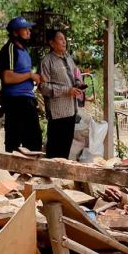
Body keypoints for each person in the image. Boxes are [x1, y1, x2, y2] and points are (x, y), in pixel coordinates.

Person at [0, 16, 42, 153]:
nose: (29, 31)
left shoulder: (24, 50)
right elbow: (7, 77)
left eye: (29, 29)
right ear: (15, 32)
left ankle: (29, 171)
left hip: (26, 99)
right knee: (15, 140)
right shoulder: (10, 49)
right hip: (15, 101)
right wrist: (30, 75)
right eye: (25, 29)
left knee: (34, 140)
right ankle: (15, 171)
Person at [39, 30, 84, 159]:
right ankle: (51, 177)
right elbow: (43, 87)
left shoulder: (68, 58)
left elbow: (76, 73)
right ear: (52, 43)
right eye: (60, 39)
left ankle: (61, 178)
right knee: (54, 150)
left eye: (64, 39)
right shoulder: (47, 61)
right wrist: (66, 90)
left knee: (65, 149)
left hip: (70, 110)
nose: (64, 42)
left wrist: (78, 83)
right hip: (57, 113)